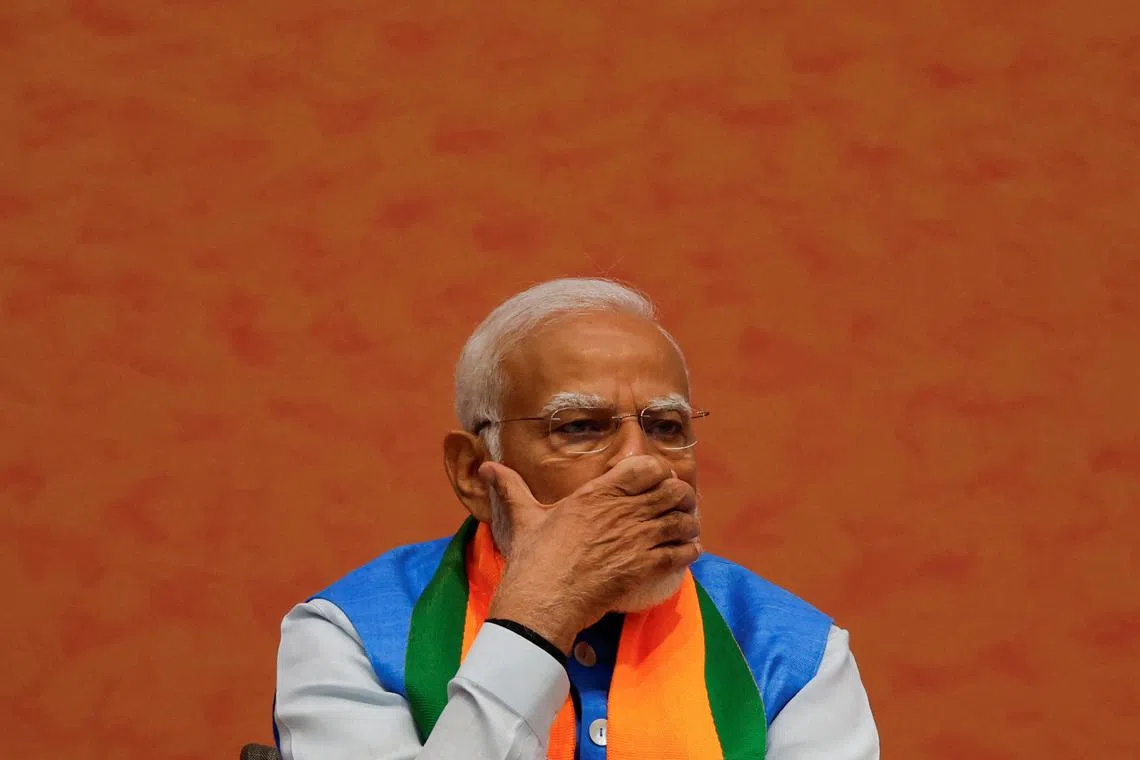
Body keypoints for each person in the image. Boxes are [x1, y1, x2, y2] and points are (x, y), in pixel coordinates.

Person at [274, 278, 879, 759]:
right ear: (471, 470)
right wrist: (537, 619)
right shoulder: (349, 634)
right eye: (581, 428)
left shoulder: (794, 653)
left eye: (667, 428)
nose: (641, 467)